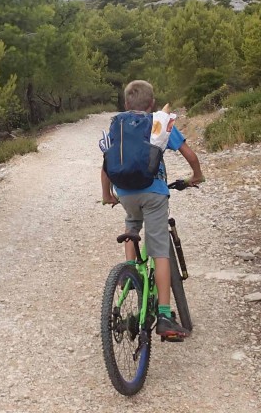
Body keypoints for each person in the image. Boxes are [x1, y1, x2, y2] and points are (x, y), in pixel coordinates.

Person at [100, 80, 204, 340]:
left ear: (126, 104)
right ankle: (166, 316)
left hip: (124, 191)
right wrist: (197, 176)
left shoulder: (118, 126)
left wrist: (107, 195)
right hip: (154, 192)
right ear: (152, 104)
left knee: (132, 224)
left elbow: (106, 163)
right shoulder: (159, 123)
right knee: (159, 250)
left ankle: (129, 273)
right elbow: (190, 155)